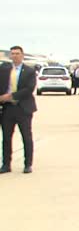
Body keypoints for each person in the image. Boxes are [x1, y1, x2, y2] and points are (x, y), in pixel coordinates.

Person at [1, 46, 37, 174]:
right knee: (6, 138)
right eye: (13, 54)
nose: (15, 56)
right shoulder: (4, 69)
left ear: (22, 55)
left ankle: (28, 164)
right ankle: (6, 164)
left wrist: (11, 96)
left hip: (23, 108)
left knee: (26, 137)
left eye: (17, 53)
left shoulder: (29, 71)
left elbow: (29, 89)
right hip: (7, 109)